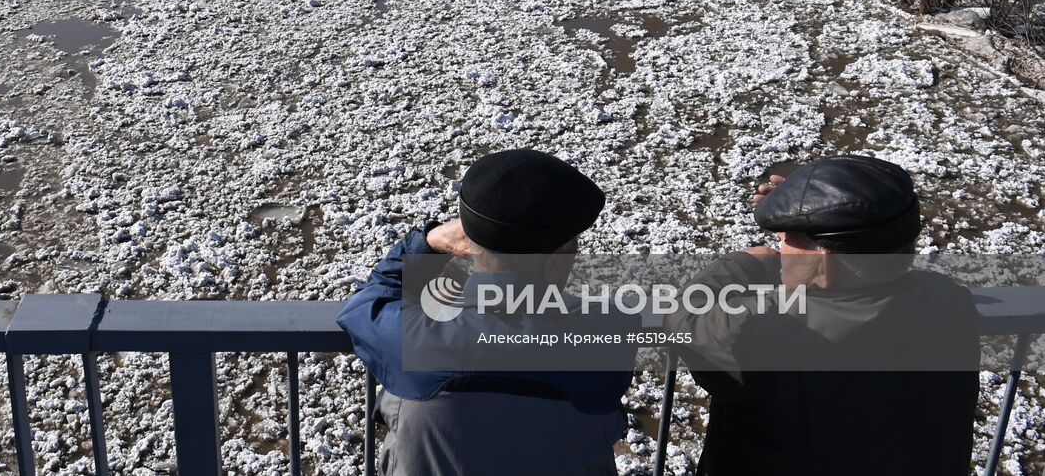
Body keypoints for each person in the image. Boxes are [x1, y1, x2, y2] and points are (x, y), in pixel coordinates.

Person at [668, 154, 980, 476]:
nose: (779, 243)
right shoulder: (950, 299)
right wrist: (806, 200)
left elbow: (685, 317)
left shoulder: (764, 327)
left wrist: (746, 264)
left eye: (787, 238)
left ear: (825, 258)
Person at [336, 149, 631, 475]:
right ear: (564, 254)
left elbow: (367, 303)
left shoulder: (418, 337)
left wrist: (429, 243)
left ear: (465, 242)